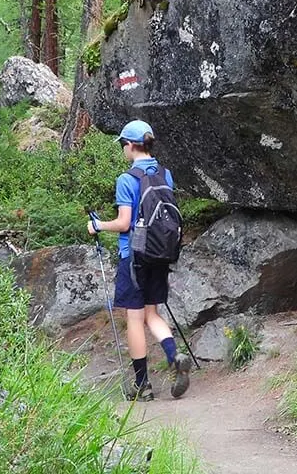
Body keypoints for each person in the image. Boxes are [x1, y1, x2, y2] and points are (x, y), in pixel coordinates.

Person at [87, 119, 191, 401]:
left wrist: (98, 226)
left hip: (133, 256)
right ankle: (174, 355)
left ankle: (142, 385)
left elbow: (123, 224)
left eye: (123, 144)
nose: (123, 149)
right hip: (160, 253)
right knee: (152, 314)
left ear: (131, 146)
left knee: (134, 319)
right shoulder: (165, 175)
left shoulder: (126, 179)